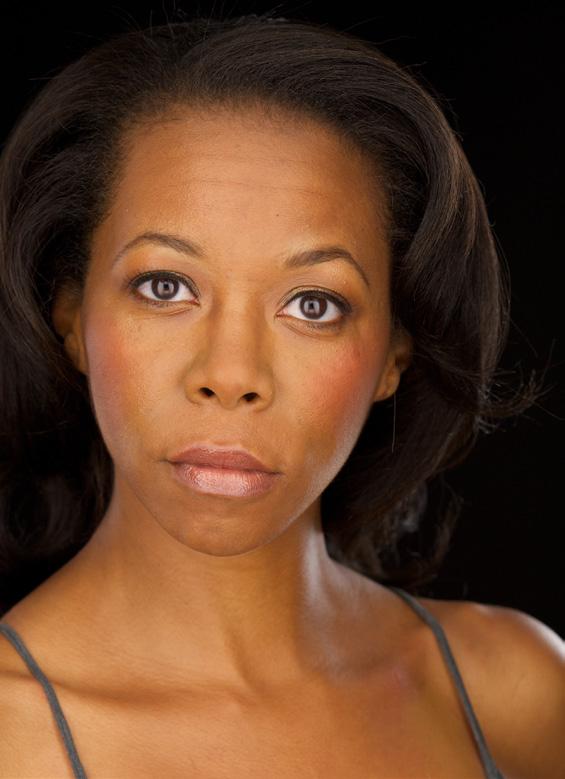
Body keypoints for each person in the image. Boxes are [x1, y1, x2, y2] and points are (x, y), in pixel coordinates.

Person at [0, 11, 563, 778]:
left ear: (394, 353)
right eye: (165, 286)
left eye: (312, 304)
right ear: (71, 318)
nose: (232, 374)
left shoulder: (516, 691)